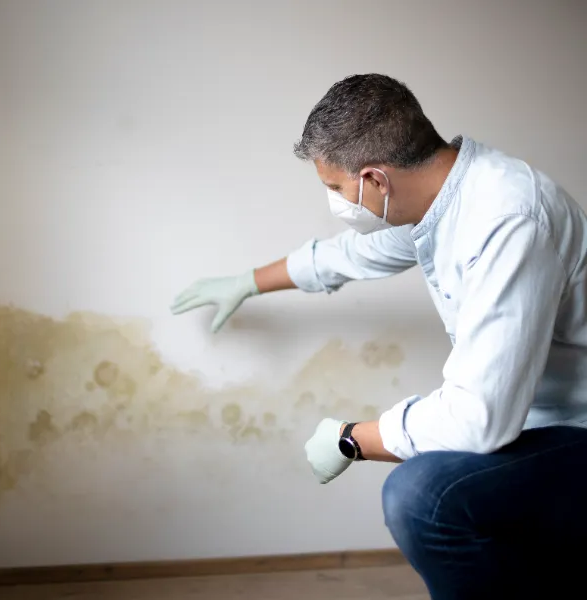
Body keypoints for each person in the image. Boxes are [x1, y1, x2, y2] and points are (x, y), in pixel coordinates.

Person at [169, 73, 587, 600]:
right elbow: (345, 257)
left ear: (375, 180)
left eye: (335, 188)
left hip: (576, 429)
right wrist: (247, 283)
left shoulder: (508, 219)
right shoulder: (443, 202)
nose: (337, 202)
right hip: (537, 424)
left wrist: (351, 438)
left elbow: (479, 421)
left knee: (421, 495)